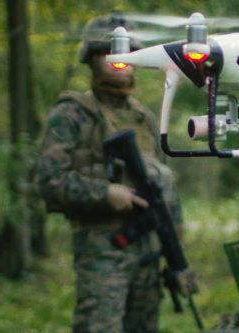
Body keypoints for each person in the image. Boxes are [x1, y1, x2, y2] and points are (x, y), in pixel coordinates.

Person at [35, 13, 191, 333]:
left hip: (147, 255)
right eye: (112, 53)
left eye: (129, 54)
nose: (122, 61)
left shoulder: (144, 119)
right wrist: (105, 194)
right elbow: (49, 181)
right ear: (92, 59)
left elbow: (164, 189)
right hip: (103, 255)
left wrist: (177, 260)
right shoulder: (72, 115)